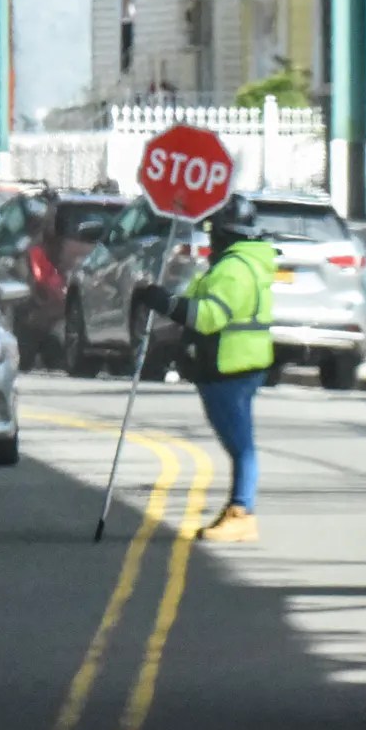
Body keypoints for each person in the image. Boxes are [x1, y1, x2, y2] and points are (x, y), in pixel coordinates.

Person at [132, 195, 278, 542]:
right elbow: (197, 298)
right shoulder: (240, 264)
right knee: (239, 444)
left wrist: (165, 304)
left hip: (228, 366)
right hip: (238, 364)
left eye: (213, 231)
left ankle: (242, 513)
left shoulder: (233, 269)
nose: (209, 238)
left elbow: (209, 317)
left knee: (241, 445)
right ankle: (238, 509)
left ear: (227, 232)